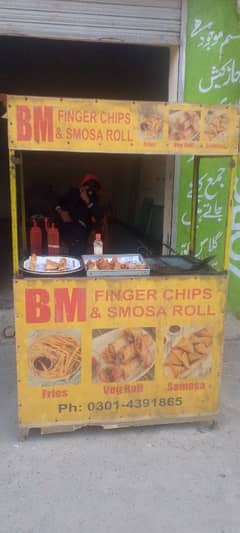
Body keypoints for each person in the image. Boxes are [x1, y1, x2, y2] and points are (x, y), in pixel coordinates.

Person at [56, 173, 103, 254]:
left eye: (92, 188)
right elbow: (58, 203)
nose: (89, 190)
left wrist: (87, 200)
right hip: (67, 224)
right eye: (87, 186)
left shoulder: (93, 199)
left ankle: (76, 259)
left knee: (78, 236)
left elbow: (98, 215)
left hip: (82, 228)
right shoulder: (73, 193)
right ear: (82, 186)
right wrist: (60, 211)